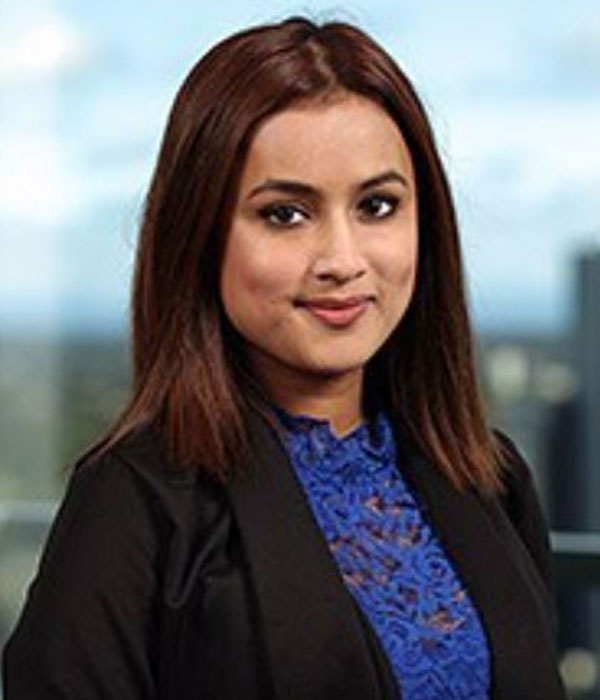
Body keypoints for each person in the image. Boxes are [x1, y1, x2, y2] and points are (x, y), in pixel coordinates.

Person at [2, 16, 567, 700]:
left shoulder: (491, 477)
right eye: (285, 214)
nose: (342, 260)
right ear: (200, 236)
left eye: (377, 205)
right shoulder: (132, 503)